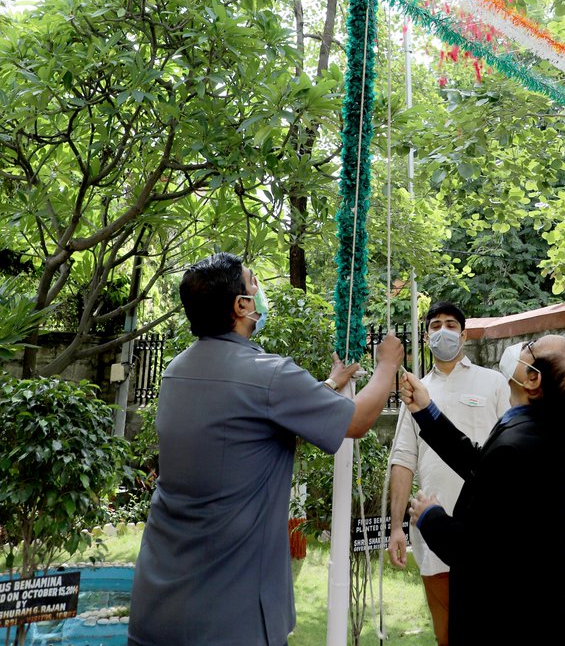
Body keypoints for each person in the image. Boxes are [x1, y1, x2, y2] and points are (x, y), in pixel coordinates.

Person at [128, 252, 403, 646]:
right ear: (241, 306)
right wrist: (386, 367)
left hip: (157, 605)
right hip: (230, 618)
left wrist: (327, 385)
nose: (260, 291)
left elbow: (251, 419)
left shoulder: (176, 372)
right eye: (254, 282)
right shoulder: (268, 375)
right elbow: (355, 422)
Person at [399, 334, 565, 646]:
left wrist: (431, 516)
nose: (521, 347)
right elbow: (483, 466)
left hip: (511, 624)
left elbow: (475, 551)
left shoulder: (518, 447)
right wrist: (427, 411)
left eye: (530, 347)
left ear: (532, 380)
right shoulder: (542, 428)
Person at [387, 301, 508, 646]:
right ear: (426, 337)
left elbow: (510, 453)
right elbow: (403, 459)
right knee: (447, 635)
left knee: (491, 630)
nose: (444, 331)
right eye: (436, 325)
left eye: (451, 325)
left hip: (487, 535)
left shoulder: (493, 383)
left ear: (464, 335)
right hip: (434, 533)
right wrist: (396, 526)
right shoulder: (416, 392)